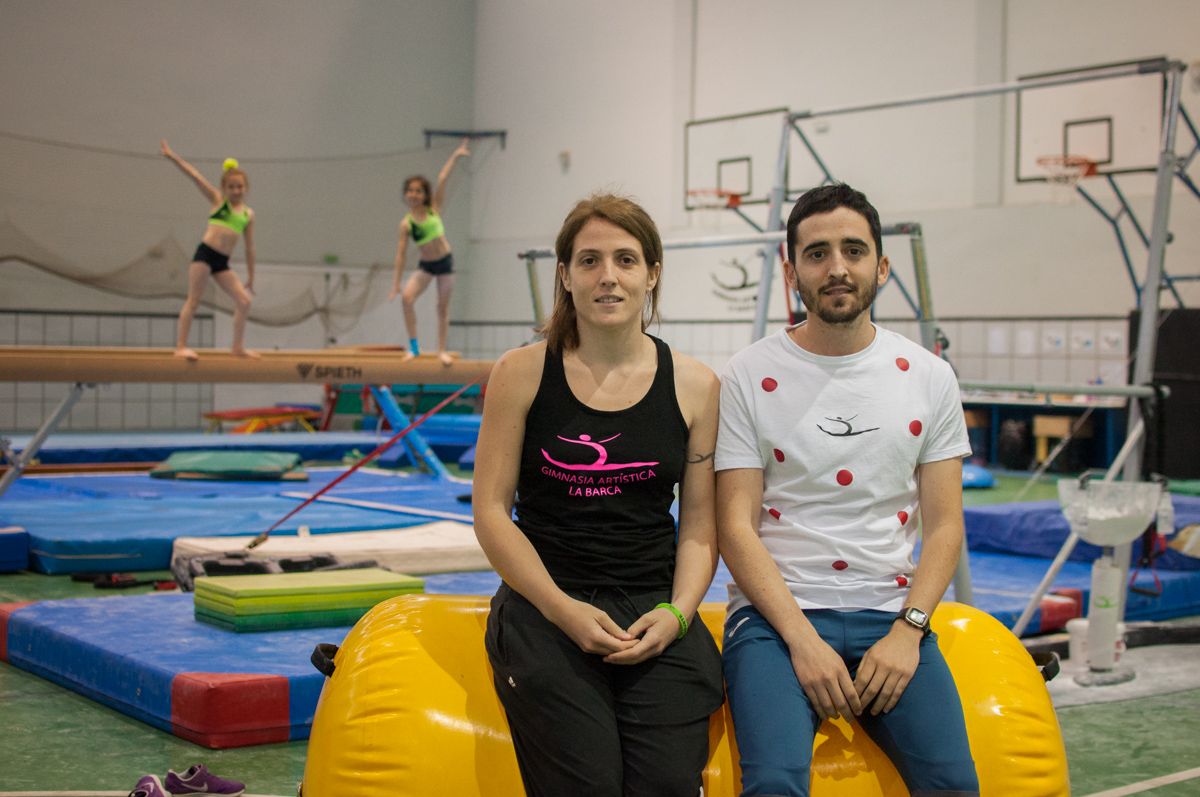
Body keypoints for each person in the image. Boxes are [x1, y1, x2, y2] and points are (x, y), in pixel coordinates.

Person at [714, 183, 979, 797]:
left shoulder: (930, 377)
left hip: (890, 613)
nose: (837, 267)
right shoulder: (749, 374)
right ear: (792, 273)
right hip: (774, 621)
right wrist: (801, 641)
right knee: (774, 782)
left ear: (881, 266)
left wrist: (909, 631)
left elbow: (945, 526)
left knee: (954, 784)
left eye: (854, 251)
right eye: (817, 253)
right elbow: (735, 526)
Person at [473, 193, 724, 797]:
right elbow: (490, 511)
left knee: (666, 784)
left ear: (652, 274)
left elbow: (698, 525)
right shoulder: (521, 373)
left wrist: (678, 612)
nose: (607, 276)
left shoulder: (696, 386)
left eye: (625, 260)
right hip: (545, 605)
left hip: (652, 608)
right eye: (589, 261)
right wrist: (561, 609)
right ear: (565, 275)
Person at [160, 139, 257, 360]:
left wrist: (251, 277)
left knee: (244, 301)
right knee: (194, 300)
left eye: (240, 186)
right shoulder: (218, 201)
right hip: (205, 255)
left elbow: (250, 248)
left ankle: (237, 347)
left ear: (246, 188)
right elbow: (195, 176)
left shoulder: (248, 214)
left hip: (222, 262)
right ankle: (181, 346)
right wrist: (172, 156)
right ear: (224, 188)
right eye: (231, 187)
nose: (236, 190)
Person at [389, 138, 470, 366]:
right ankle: (414, 348)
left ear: (425, 194)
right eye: (410, 191)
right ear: (405, 195)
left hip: (445, 263)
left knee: (442, 307)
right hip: (426, 266)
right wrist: (396, 284)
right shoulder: (406, 224)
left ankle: (441, 350)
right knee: (406, 299)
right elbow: (400, 255)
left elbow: (443, 178)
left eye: (418, 191)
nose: (413, 194)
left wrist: (456, 155)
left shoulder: (434, 210)